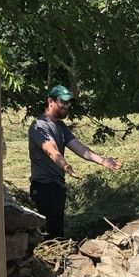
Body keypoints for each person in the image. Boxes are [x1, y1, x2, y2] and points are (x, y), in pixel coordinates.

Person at [28, 85, 121, 238]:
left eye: (68, 103)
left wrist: (103, 161)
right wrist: (65, 165)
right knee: (48, 234)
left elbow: (80, 148)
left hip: (57, 187)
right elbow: (51, 150)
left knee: (57, 231)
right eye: (63, 103)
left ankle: (58, 258)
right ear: (50, 101)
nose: (66, 106)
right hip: (43, 188)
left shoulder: (60, 126)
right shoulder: (39, 126)